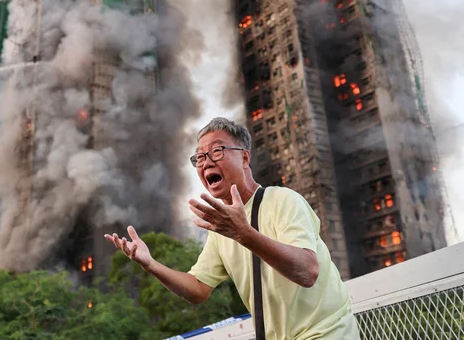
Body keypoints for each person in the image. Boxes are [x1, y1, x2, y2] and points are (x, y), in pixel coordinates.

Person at [105, 117, 360, 339]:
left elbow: (307, 271)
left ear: (245, 157)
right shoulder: (222, 229)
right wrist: (150, 264)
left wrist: (243, 234)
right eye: (200, 157)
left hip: (326, 333)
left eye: (217, 151)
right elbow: (197, 289)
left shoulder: (283, 200)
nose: (206, 162)